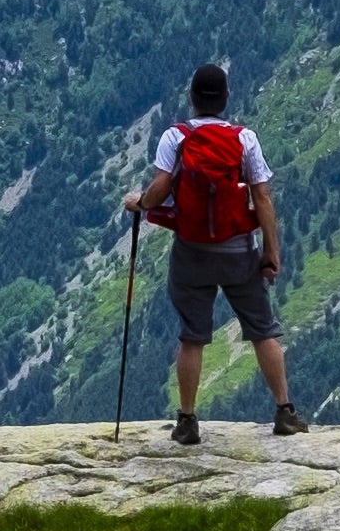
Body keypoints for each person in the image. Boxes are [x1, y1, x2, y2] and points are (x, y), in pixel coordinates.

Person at [129, 60, 303, 444]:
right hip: (239, 251)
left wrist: (140, 203)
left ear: (191, 98)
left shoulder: (175, 137)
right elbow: (262, 196)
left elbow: (160, 188)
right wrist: (271, 252)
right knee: (262, 331)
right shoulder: (244, 139)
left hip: (191, 252)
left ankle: (188, 421)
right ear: (225, 98)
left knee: (192, 337)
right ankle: (284, 412)